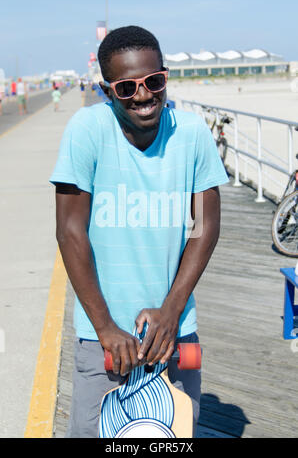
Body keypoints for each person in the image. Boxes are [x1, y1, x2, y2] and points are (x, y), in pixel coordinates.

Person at [50, 25, 229, 438]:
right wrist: (107, 328)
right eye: (127, 87)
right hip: (103, 338)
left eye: (153, 81)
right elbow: (70, 231)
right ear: (107, 89)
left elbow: (207, 224)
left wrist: (170, 312)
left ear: (165, 76)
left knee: (171, 438)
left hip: (174, 333)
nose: (144, 95)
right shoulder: (87, 130)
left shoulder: (191, 133)